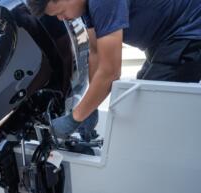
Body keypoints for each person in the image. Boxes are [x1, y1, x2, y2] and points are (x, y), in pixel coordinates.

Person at [27, 0, 201, 139]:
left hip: (189, 32)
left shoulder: (103, 3)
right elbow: (95, 52)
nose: (61, 19)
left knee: (148, 111)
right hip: (165, 41)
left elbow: (110, 72)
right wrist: (90, 107)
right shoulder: (86, 6)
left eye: (59, 12)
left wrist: (74, 118)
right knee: (136, 103)